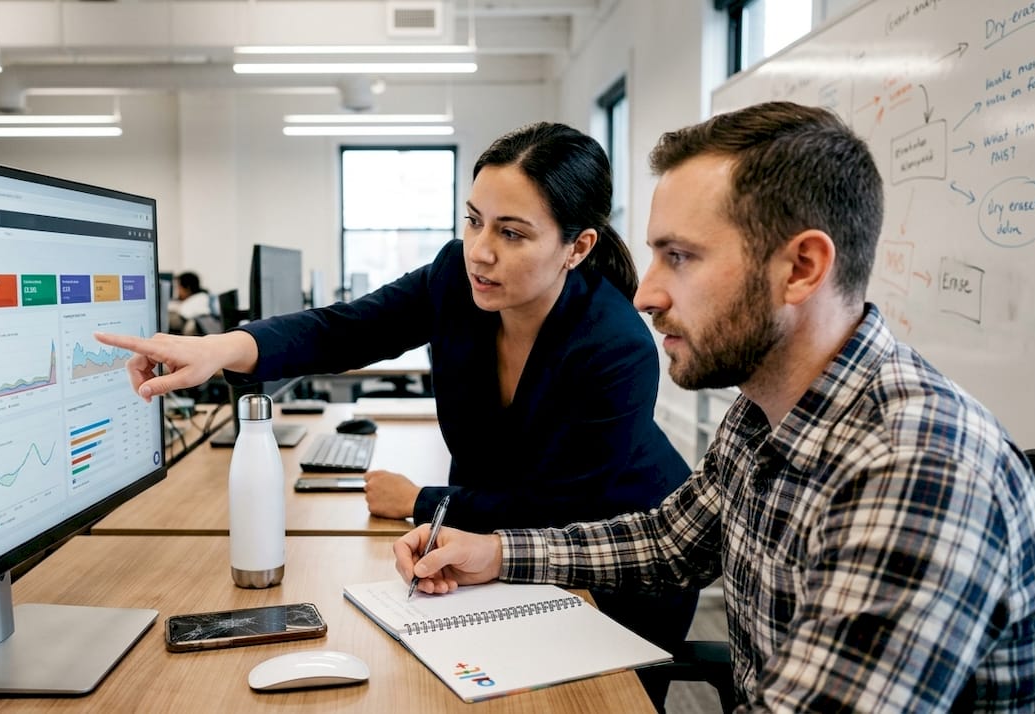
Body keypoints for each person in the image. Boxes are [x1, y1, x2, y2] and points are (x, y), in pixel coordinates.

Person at [392, 101, 1035, 711]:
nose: (645, 296)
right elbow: (669, 542)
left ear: (800, 269)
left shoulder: (920, 469)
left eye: (680, 257)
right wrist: (495, 553)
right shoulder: (766, 408)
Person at [95, 122, 697, 704]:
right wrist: (221, 349)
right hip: (502, 544)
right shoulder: (454, 278)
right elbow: (344, 329)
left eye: (512, 233)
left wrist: (420, 501)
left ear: (578, 246)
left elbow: (558, 510)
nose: (480, 252)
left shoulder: (613, 346)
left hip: (616, 564)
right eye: (474, 221)